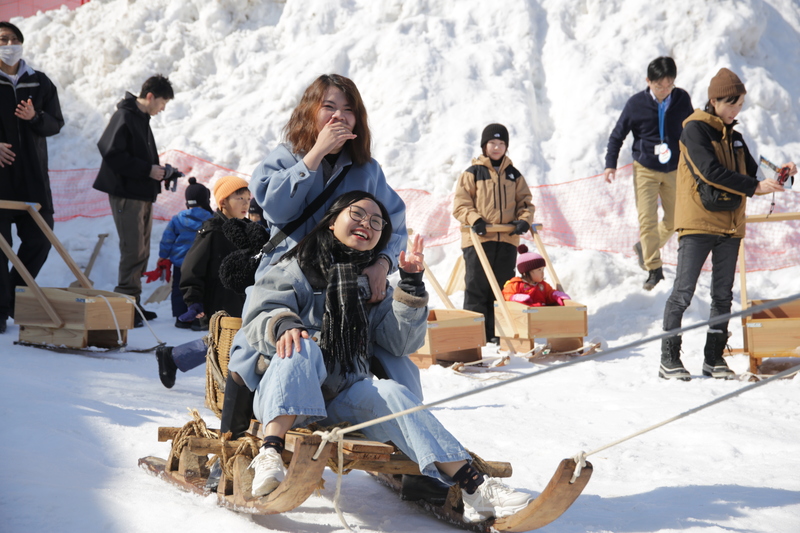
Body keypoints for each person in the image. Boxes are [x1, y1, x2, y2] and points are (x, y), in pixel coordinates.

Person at [230, 192, 533, 522]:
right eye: (357, 214)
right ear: (332, 222)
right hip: (287, 392)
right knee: (302, 344)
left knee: (392, 392)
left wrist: (412, 286)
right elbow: (261, 310)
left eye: (376, 222)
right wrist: (284, 323)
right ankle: (270, 452)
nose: (366, 224)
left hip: (342, 395)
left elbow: (401, 342)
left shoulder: (374, 286)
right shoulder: (295, 267)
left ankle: (475, 487)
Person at [660, 68, 795, 381]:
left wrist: (780, 175)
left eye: (740, 105)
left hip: (731, 225)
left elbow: (753, 176)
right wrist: (754, 187)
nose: (736, 111)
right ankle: (669, 358)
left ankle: (714, 358)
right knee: (683, 291)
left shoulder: (735, 137)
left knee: (723, 295)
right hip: (698, 223)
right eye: (731, 104)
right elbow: (709, 172)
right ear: (714, 101)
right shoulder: (694, 131)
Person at [155, 176, 255, 388]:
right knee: (228, 341)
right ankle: (228, 389)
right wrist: (193, 299)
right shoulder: (212, 230)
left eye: (248, 198)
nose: (246, 203)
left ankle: (174, 357)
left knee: (226, 340)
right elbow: (192, 266)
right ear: (223, 203)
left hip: (241, 297)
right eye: (239, 198)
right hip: (219, 298)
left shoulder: (245, 229)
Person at [603, 57, 693, 291]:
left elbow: (693, 130)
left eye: (669, 85)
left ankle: (645, 247)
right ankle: (654, 267)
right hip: (645, 169)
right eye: (659, 85)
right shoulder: (636, 104)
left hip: (673, 168)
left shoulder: (682, 99)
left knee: (675, 220)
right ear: (648, 81)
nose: (664, 90)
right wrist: (610, 163)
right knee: (647, 220)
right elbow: (617, 134)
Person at [93, 74, 174, 327]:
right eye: (162, 102)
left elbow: (137, 157)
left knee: (141, 249)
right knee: (132, 248)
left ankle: (133, 302)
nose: (162, 109)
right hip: (126, 194)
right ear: (150, 96)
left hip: (141, 193)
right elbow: (109, 151)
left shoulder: (141, 119)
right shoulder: (125, 115)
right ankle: (126, 304)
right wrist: (146, 170)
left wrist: (158, 171)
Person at [0, 21, 64, 334]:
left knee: (40, 239)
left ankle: (9, 295)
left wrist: (35, 117)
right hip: (0, 181)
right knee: (0, 248)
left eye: (13, 39)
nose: (8, 44)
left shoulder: (39, 82)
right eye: (2, 39)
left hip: (33, 180)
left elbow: (56, 123)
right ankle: (0, 311)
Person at [452, 123, 534, 344]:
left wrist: (524, 221)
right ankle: (474, 335)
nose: (497, 147)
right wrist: (475, 220)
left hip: (506, 239)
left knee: (502, 286)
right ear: (484, 145)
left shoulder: (514, 175)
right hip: (478, 239)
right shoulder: (472, 173)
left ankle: (499, 332)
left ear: (506, 147)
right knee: (477, 287)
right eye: (492, 143)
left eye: (501, 143)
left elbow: (526, 203)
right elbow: (461, 205)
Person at [144, 177, 213, 323]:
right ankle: (197, 318)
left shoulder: (178, 218)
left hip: (180, 262)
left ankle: (180, 318)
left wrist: (163, 255)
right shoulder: (210, 219)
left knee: (178, 289)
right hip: (201, 263)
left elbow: (167, 238)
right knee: (199, 289)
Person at [501, 245, 570, 307]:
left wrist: (555, 295)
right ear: (525, 273)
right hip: (525, 315)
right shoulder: (515, 285)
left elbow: (549, 295)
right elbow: (505, 294)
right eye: (539, 270)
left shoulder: (543, 285)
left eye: (543, 270)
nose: (542, 273)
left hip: (541, 314)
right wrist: (514, 297)